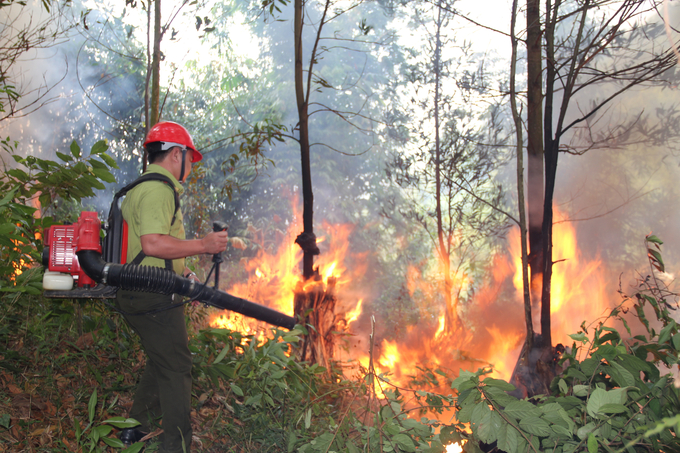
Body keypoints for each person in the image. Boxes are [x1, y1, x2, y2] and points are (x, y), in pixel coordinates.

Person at [116, 121, 229, 453]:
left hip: (143, 287)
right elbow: (152, 244)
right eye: (190, 159)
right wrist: (204, 244)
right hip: (152, 294)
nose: (191, 166)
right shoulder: (158, 190)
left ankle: (134, 430)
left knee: (161, 358)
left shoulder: (140, 187)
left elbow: (148, 247)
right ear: (176, 154)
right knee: (178, 366)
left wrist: (185, 273)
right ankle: (175, 446)